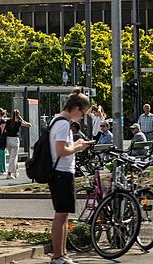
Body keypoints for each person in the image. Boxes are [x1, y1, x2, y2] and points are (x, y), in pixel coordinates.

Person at [48, 89, 93, 264]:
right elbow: (61, 150)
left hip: (62, 171)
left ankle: (62, 253)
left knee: (64, 215)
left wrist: (76, 144)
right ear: (75, 108)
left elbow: (62, 148)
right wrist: (78, 147)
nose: (82, 116)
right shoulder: (62, 123)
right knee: (61, 216)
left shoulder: (59, 121)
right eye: (82, 112)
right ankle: (57, 256)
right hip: (61, 173)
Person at [4, 109, 31, 179]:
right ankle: (9, 174)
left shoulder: (8, 121)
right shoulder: (19, 122)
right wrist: (22, 119)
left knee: (12, 157)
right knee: (13, 157)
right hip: (15, 140)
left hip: (8, 140)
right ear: (18, 115)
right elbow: (29, 125)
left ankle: (16, 172)